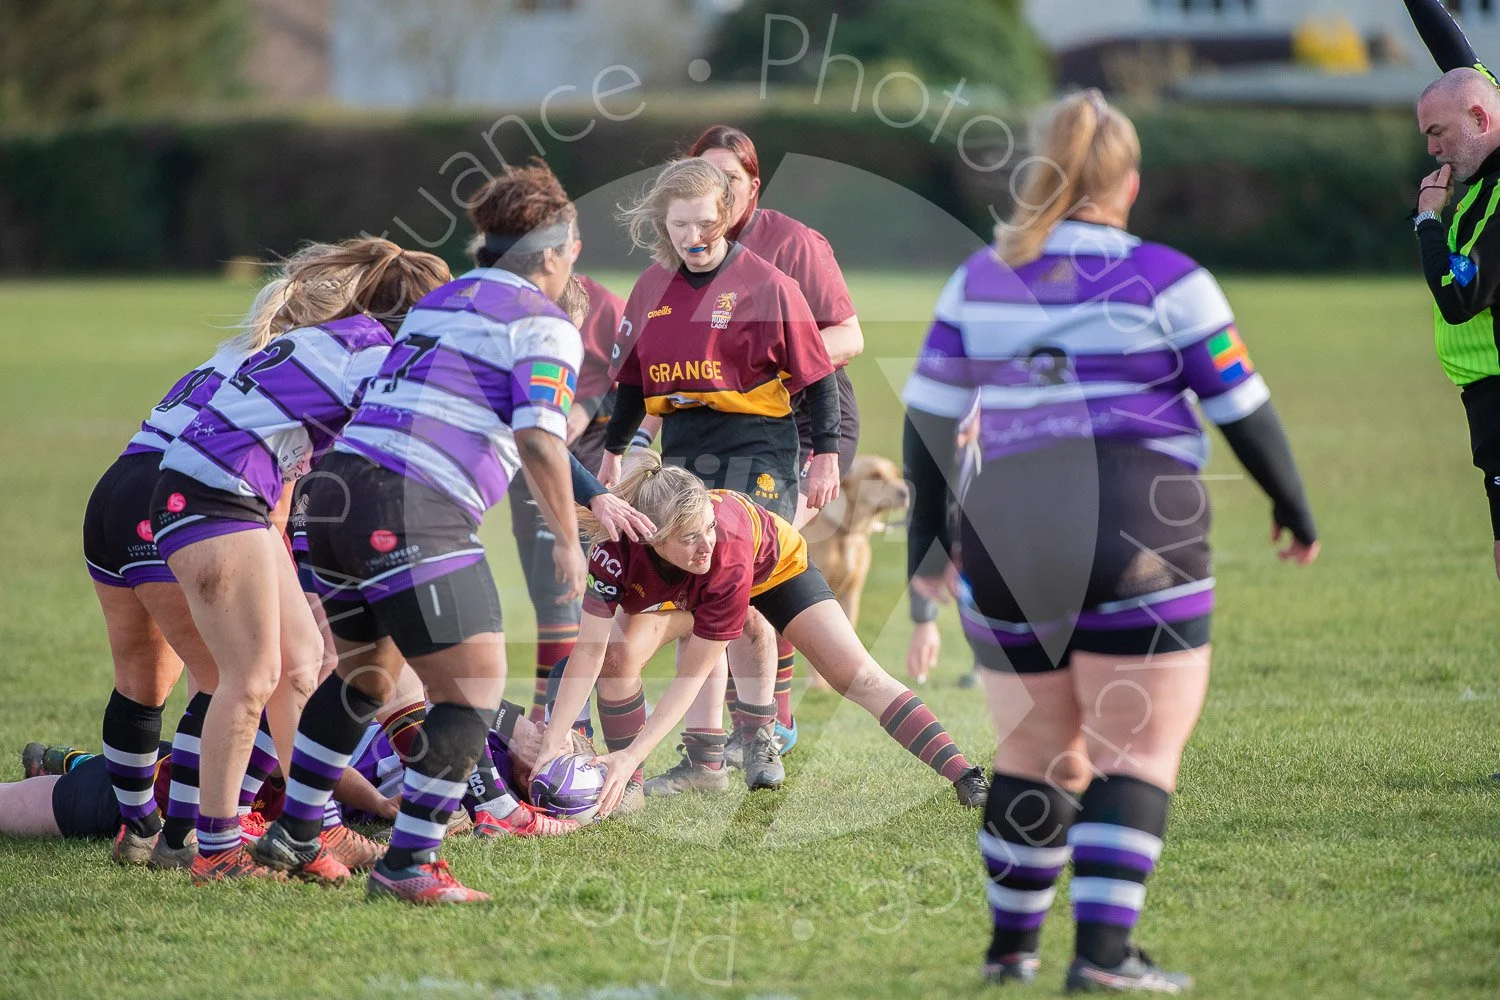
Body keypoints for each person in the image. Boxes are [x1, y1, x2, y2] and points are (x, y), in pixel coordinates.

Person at [903, 91, 1319, 991]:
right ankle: (1102, 959)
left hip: (1005, 520)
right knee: (1135, 754)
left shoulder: (980, 278)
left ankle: (1010, 953)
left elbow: (930, 422)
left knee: (1031, 751)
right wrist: (1293, 505)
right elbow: (1242, 409)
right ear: (1128, 183)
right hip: (1140, 516)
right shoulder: (1169, 277)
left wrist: (928, 550)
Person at [248, 163, 647, 904]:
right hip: (413, 505)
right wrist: (568, 535)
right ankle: (409, 866)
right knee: (470, 690)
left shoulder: (447, 300)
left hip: (335, 499)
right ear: (556, 252)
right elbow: (538, 438)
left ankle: (296, 832)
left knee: (363, 678)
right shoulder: (544, 322)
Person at [152, 238, 451, 883]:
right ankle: (216, 849)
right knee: (249, 677)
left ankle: (309, 831)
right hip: (214, 498)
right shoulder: (368, 352)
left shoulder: (341, 337)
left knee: (300, 664)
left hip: (219, 495)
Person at [538, 453, 991, 816]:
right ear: (652, 537)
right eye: (690, 537)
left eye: (708, 529)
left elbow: (691, 676)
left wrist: (631, 753)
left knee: (855, 675)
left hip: (774, 568)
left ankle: (964, 774)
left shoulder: (723, 552)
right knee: (616, 658)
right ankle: (626, 793)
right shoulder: (616, 550)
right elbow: (589, 652)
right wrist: (553, 743)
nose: (705, 544)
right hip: (686, 588)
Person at [597, 157, 842, 795]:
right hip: (683, 451)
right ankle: (703, 760)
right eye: (682, 224)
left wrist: (827, 455)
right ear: (664, 224)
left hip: (757, 449)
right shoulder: (651, 288)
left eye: (708, 222)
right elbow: (628, 383)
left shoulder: (768, 285)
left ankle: (759, 735)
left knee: (748, 593)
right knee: (694, 591)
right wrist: (614, 451)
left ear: (728, 216)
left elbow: (819, 379)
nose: (696, 235)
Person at [685, 123, 868, 727]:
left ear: (754, 184)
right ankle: (740, 734)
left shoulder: (791, 243)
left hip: (808, 428)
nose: (719, 193)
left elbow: (849, 335)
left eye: (730, 181)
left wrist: (770, 370)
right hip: (727, 437)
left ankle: (769, 726)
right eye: (706, 180)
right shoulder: (686, 249)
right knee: (730, 571)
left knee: (756, 564)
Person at [1407, 0, 1500, 581]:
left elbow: (1458, 295)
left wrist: (1428, 222)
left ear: (1480, 120)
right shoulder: (1484, 109)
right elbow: (1455, 56)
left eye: (1438, 134)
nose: (1433, 150)